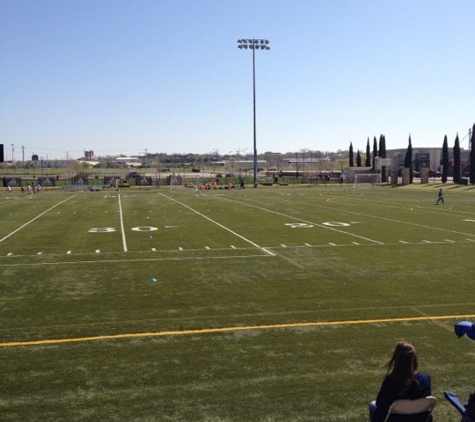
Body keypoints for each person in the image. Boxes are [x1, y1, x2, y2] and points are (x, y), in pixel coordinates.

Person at [369, 341, 432, 422]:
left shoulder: (390, 382)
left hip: (394, 419)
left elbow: (380, 405)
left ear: (396, 359)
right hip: (418, 419)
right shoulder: (425, 379)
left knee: (372, 405)